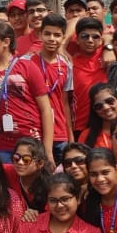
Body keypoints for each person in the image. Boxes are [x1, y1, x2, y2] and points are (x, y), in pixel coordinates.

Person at [0, 21, 53, 162]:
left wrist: (48, 151)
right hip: (0, 145)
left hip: (31, 142)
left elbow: (46, 109)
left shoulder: (27, 66)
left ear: (6, 42)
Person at [27, 13, 73, 161]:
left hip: (60, 134)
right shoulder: (27, 63)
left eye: (57, 35)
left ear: (63, 37)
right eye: (47, 34)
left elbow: (65, 103)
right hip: (35, 133)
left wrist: (70, 135)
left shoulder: (67, 65)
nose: (52, 39)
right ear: (40, 35)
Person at [6, 137, 50, 216]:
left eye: (26, 160)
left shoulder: (50, 186)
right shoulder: (9, 171)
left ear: (40, 164)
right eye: (16, 158)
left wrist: (38, 216)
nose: (20, 162)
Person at [80, 82, 117, 148]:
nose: (106, 107)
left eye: (110, 101)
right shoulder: (86, 135)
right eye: (99, 106)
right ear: (94, 110)